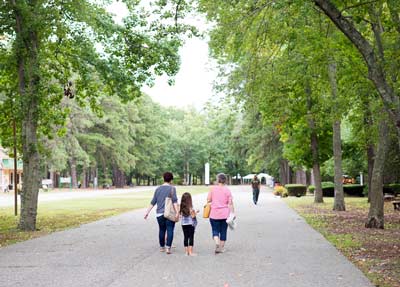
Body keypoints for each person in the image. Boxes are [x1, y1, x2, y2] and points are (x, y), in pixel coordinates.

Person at [144, 172, 179, 254]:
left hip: (159, 214)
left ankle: (162, 247)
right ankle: (168, 248)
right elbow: (174, 202)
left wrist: (147, 212)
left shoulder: (158, 189)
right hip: (169, 213)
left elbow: (153, 202)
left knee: (162, 230)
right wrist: (177, 212)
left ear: (163, 178)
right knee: (170, 230)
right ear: (171, 180)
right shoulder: (172, 188)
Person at [207, 173, 235, 254]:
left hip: (214, 214)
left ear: (217, 179)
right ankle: (221, 248)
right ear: (225, 180)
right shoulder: (227, 190)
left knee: (215, 230)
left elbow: (208, 200)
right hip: (224, 214)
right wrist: (233, 213)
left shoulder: (213, 189)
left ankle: (217, 243)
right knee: (223, 231)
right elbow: (230, 203)